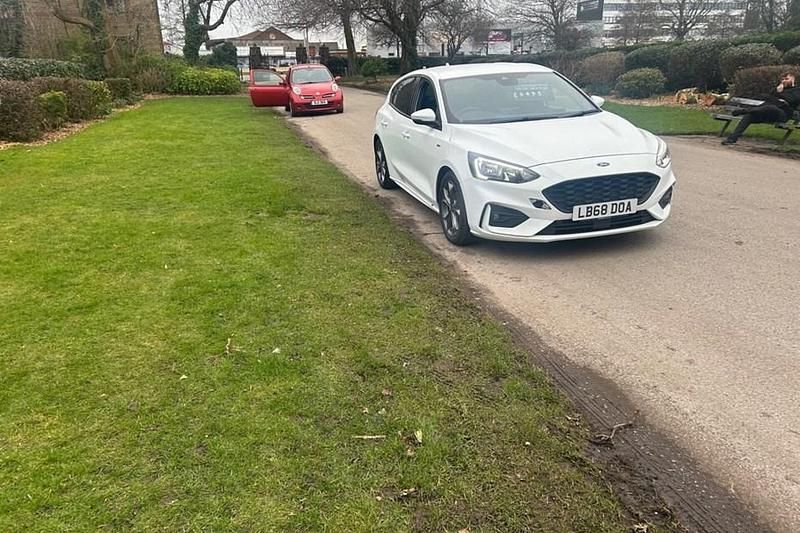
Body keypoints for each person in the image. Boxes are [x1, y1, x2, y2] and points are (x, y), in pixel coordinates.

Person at [721, 72, 800, 145]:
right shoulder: (778, 89)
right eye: (782, 79)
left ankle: (744, 110)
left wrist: (779, 94)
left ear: (793, 79)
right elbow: (768, 98)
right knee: (748, 116)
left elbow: (792, 100)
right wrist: (779, 95)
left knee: (771, 107)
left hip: (782, 114)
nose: (783, 81)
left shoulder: (797, 90)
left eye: (786, 79)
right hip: (766, 113)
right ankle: (732, 139)